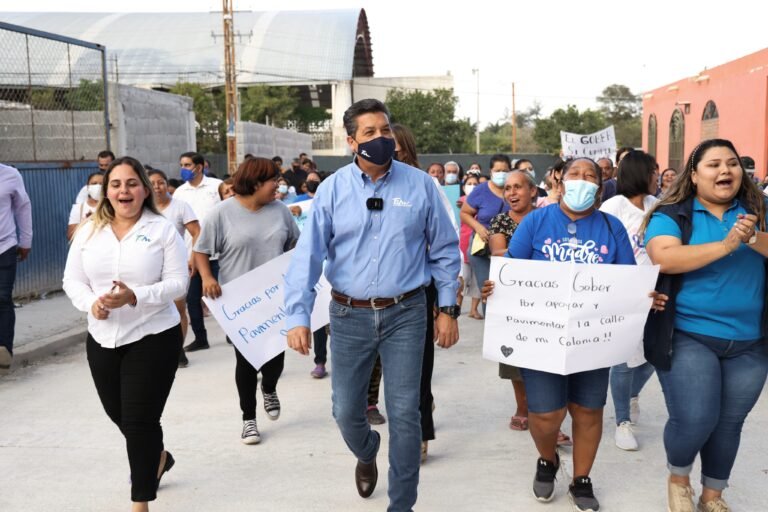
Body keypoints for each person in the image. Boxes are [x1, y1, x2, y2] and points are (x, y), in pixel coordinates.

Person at [284, 99, 461, 512]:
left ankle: (402, 505)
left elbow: (446, 251)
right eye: (370, 133)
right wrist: (297, 316)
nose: (381, 139)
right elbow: (307, 256)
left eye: (385, 130)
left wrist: (448, 308)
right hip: (348, 316)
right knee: (346, 411)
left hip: (406, 312)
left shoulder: (420, 186)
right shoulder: (332, 190)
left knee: (405, 413)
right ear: (351, 142)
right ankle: (366, 451)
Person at [482, 157, 651, 512]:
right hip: (541, 337)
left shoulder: (611, 228)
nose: (583, 181)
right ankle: (547, 459)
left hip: (592, 338)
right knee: (545, 415)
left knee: (588, 411)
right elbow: (512, 271)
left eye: (591, 176)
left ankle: (581, 479)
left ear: (601, 186)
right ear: (559, 180)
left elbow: (626, 281)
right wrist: (494, 288)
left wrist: (647, 295)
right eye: (575, 174)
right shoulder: (537, 222)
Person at [642, 139, 768, 512]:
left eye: (732, 163)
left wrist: (753, 237)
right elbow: (664, 257)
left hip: (750, 341)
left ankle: (713, 494)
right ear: (694, 176)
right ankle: (679, 479)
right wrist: (729, 244)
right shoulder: (673, 214)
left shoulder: (758, 209)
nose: (725, 171)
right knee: (696, 418)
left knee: (730, 423)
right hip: (688, 335)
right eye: (713, 164)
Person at [62, 157, 188, 512]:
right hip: (102, 338)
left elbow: (180, 282)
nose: (124, 190)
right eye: (115, 184)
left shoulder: (162, 230)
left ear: (145, 190)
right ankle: (157, 456)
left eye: (132, 183)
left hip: (153, 336)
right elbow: (72, 280)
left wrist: (136, 295)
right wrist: (92, 304)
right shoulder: (88, 231)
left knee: (139, 421)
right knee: (120, 415)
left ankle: (140, 500)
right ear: (105, 192)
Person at [194, 157, 299, 444]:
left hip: (276, 299)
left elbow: (295, 245)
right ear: (254, 183)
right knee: (247, 361)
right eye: (272, 180)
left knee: (276, 358)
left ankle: (269, 387)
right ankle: (248, 419)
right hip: (239, 302)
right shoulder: (221, 213)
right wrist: (207, 278)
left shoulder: (281, 212)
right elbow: (201, 250)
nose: (278, 185)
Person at [599, 151, 659, 452]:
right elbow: (605, 249)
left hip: (655, 293)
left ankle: (632, 395)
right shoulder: (613, 206)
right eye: (653, 171)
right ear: (639, 173)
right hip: (623, 293)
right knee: (622, 359)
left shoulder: (656, 205)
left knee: (654, 355)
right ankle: (622, 422)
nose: (657, 176)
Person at [488, 170, 538, 432]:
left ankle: (544, 411)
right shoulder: (499, 221)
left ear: (532, 191)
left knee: (544, 356)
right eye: (507, 188)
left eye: (518, 187)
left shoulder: (547, 217)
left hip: (545, 298)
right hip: (511, 298)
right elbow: (498, 252)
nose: (512, 193)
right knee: (514, 357)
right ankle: (522, 407)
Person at [148, 170, 201, 368]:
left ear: (166, 184)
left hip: (175, 266)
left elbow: (197, 232)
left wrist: (193, 257)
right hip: (150, 268)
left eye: (161, 182)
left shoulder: (180, 206)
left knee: (179, 309)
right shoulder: (143, 209)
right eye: (152, 183)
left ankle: (178, 350)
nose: (157, 187)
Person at [173, 151, 222, 353]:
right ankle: (201, 338)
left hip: (220, 252)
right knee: (193, 299)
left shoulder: (216, 186)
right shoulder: (179, 193)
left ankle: (234, 333)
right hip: (192, 255)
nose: (183, 169)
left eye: (187, 165)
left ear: (199, 167)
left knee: (225, 295)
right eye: (182, 165)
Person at [460, 154, 511, 313]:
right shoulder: (481, 190)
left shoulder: (513, 189)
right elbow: (464, 213)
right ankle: (490, 325)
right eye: (498, 170)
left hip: (508, 248)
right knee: (488, 288)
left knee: (507, 288)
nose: (501, 173)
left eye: (505, 170)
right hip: (481, 247)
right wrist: (478, 228)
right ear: (491, 171)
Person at [0, 163, 33, 372]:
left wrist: (26, 241)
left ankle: (3, 350)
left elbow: (23, 207)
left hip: (5, 246)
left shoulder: (10, 175)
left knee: (2, 297)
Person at [458, 173, 483, 319]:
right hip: (462, 247)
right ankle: (457, 306)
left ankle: (474, 309)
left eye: (476, 184)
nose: (472, 186)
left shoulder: (481, 203)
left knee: (477, 281)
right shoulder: (461, 201)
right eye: (470, 183)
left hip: (477, 247)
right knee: (461, 280)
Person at [67, 172, 104, 240]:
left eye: (101, 184)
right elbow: (70, 236)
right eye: (94, 183)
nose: (98, 187)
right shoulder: (78, 208)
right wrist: (87, 222)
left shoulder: (112, 207)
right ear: (88, 187)